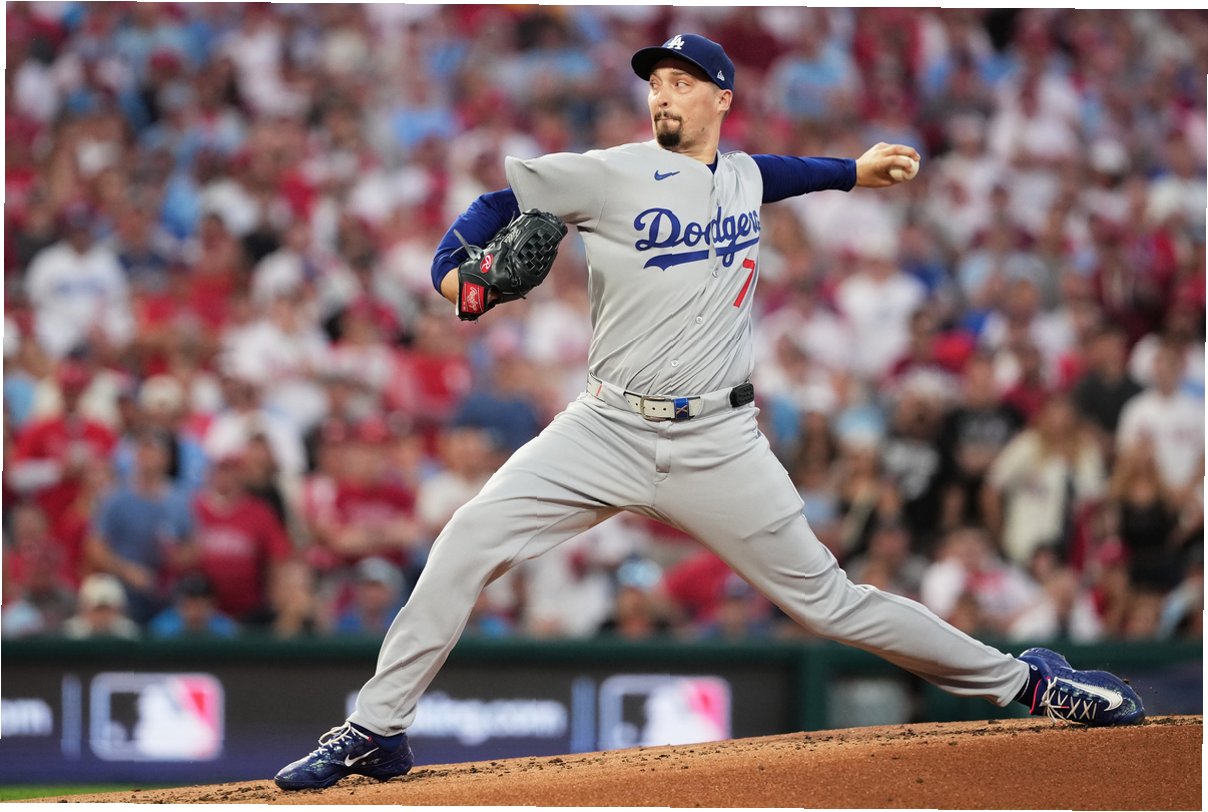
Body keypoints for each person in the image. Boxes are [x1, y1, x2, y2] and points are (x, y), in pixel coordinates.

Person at [275, 33, 1145, 791]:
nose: (662, 93)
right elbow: (496, 206)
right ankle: (377, 729)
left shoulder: (743, 176)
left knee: (829, 603)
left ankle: (1028, 682)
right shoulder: (610, 173)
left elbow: (779, 175)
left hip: (719, 440)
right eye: (656, 82)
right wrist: (456, 280)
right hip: (604, 428)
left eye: (682, 82)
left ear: (721, 98)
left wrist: (852, 172)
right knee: (466, 540)